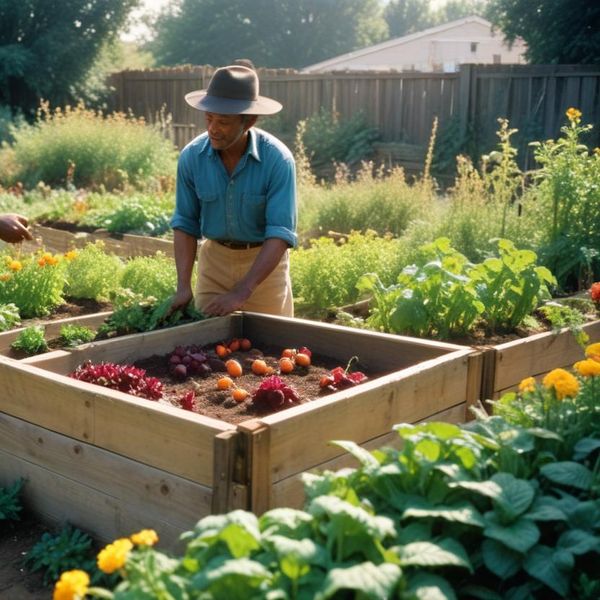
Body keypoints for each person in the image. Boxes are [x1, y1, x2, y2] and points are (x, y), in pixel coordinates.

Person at [170, 65, 297, 317]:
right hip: (214, 263)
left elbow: (280, 233)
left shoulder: (277, 160)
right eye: (209, 119)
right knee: (204, 348)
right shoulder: (192, 157)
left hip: (263, 269)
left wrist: (243, 291)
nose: (213, 128)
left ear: (249, 121)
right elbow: (185, 223)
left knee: (274, 350)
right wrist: (183, 286)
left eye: (223, 122)